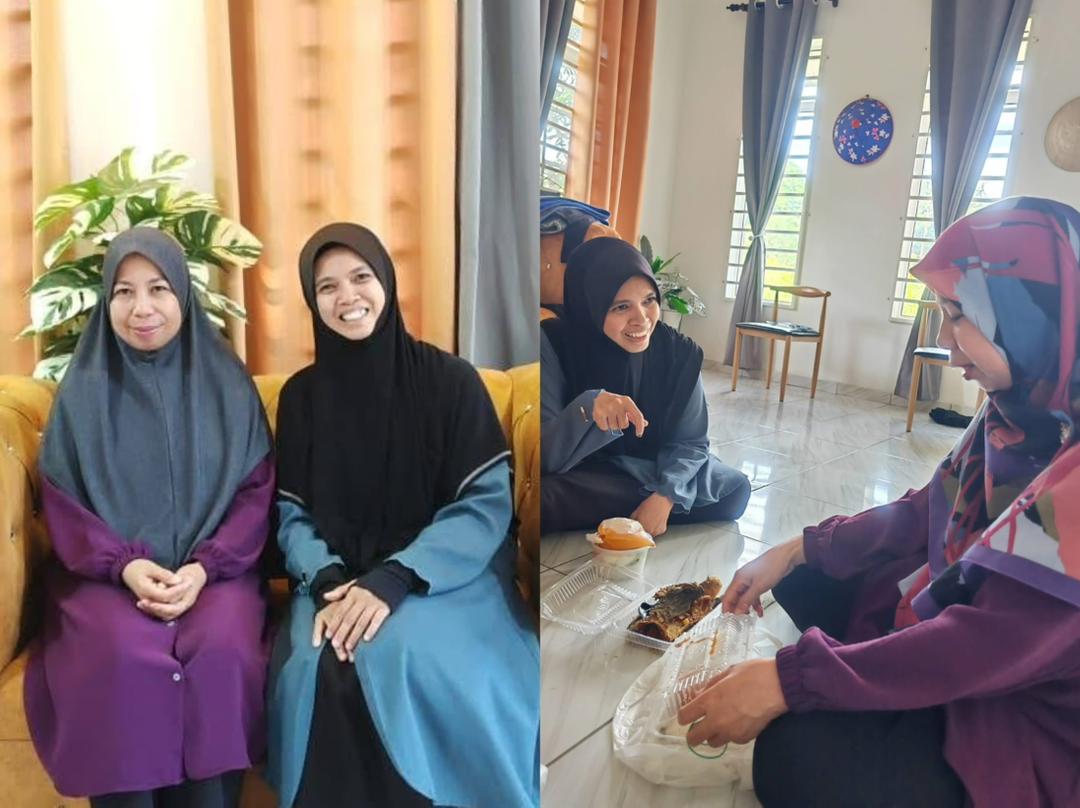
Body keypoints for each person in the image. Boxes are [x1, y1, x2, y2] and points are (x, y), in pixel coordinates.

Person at [680, 197, 1080, 808]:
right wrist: (795, 549)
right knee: (807, 577)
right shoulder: (1019, 413)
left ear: (1034, 319)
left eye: (959, 315)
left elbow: (985, 643)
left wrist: (791, 681)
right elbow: (927, 510)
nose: (945, 343)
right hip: (974, 625)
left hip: (1022, 705)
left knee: (795, 757)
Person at [265, 223, 539, 808]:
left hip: (445, 578)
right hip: (336, 582)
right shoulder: (301, 398)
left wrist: (396, 577)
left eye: (361, 277)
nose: (347, 297)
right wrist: (328, 578)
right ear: (313, 300)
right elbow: (292, 514)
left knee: (399, 652)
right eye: (327, 287)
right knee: (319, 664)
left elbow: (483, 506)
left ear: (386, 282)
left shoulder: (450, 382)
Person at [25, 228, 274, 808]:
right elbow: (64, 502)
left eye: (158, 288)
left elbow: (255, 492)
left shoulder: (228, 385)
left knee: (222, 650)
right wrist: (125, 567)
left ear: (182, 294)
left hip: (216, 578)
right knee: (118, 654)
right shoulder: (81, 392)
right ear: (107, 300)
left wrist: (206, 567)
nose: (142, 308)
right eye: (124, 291)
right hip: (105, 582)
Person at [540, 237, 751, 536]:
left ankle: (638, 510)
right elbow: (544, 455)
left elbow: (691, 443)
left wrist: (666, 496)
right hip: (581, 473)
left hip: (649, 471)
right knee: (538, 496)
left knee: (734, 490)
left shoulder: (679, 352)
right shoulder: (553, 343)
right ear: (590, 306)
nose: (641, 319)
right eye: (621, 307)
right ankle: (631, 510)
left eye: (649, 301)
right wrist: (588, 409)